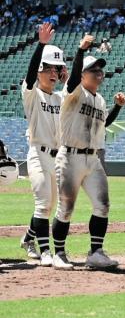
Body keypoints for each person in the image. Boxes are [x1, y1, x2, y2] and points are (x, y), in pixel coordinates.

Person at [52, 34, 125, 269]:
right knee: (66, 207)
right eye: (93, 70)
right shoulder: (73, 92)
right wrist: (81, 50)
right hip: (70, 156)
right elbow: (73, 79)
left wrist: (117, 107)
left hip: (92, 158)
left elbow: (103, 123)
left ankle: (95, 253)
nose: (99, 73)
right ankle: (59, 254)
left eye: (100, 70)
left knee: (102, 205)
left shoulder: (100, 99)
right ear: (83, 74)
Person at [19, 22, 66, 266]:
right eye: (47, 68)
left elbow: (75, 93)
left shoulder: (60, 98)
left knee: (49, 206)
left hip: (57, 158)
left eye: (56, 69)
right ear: (38, 71)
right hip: (38, 153)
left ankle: (28, 238)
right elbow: (28, 78)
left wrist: (70, 77)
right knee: (43, 203)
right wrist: (42, 45)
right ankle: (45, 251)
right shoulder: (31, 94)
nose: (52, 72)